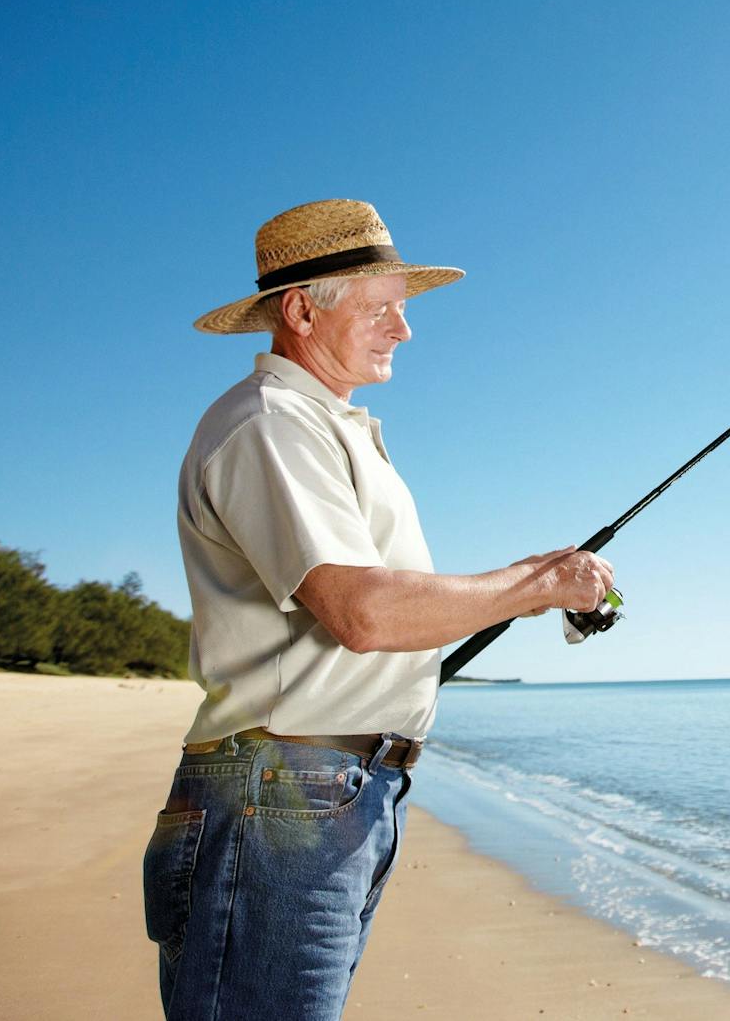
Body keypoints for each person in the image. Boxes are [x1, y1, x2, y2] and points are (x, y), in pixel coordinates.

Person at [143, 199, 613, 1021]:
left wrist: (530, 581)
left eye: (403, 308)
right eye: (381, 308)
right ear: (299, 310)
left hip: (339, 793)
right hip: (283, 793)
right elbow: (363, 612)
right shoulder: (271, 424)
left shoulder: (332, 427)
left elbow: (384, 612)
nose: (404, 330)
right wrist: (534, 586)